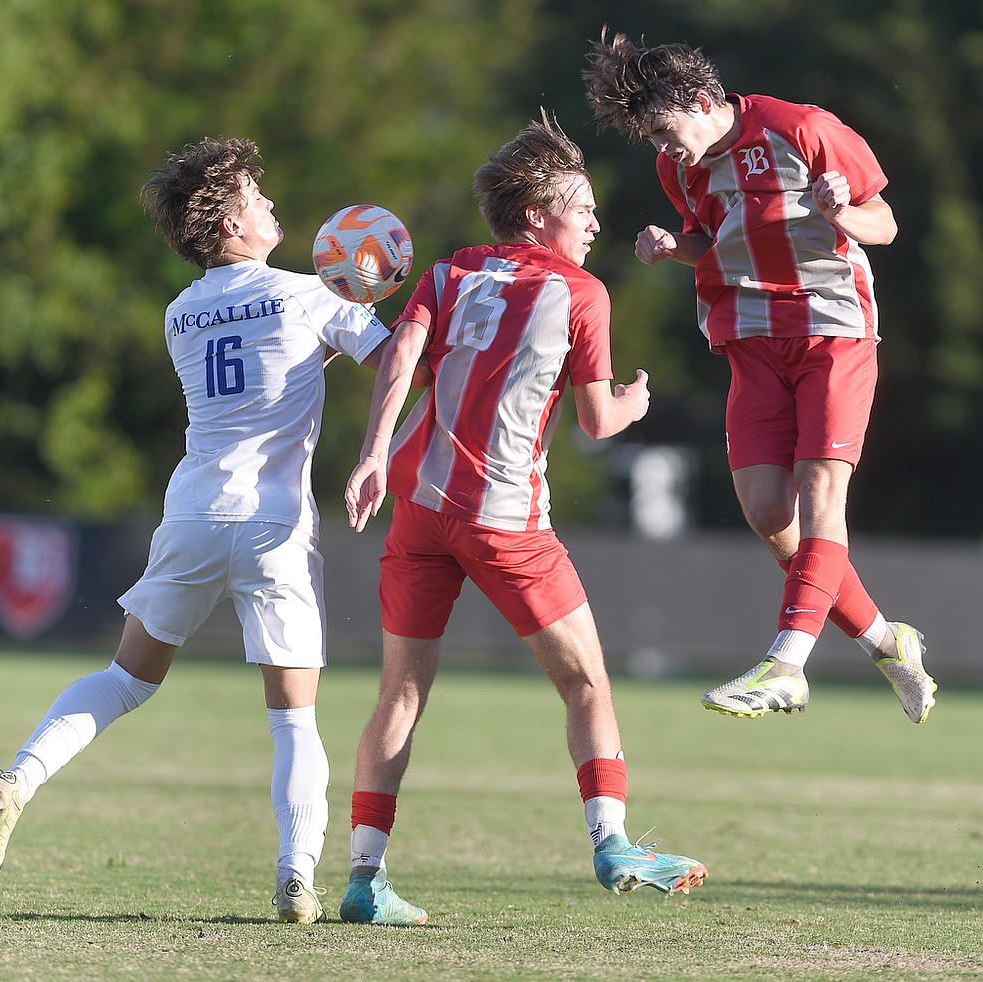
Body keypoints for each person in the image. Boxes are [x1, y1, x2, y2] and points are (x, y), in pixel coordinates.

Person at [0, 137, 397, 924]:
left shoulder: (181, 312)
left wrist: (337, 310)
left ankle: (16, 779)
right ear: (234, 223)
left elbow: (264, 371)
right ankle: (294, 876)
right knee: (294, 716)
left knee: (127, 679)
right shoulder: (308, 295)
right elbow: (394, 358)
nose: (274, 206)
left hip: (193, 512)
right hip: (274, 521)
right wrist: (376, 302)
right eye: (259, 196)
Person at [337, 110, 708, 927]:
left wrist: (369, 456)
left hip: (419, 510)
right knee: (585, 682)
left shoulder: (448, 273)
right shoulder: (581, 293)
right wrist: (636, 402)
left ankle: (365, 878)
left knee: (400, 693)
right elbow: (597, 424)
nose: (595, 223)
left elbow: (402, 356)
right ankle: (612, 844)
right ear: (538, 214)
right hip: (506, 521)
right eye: (583, 210)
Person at [583, 32, 937, 721]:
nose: (663, 148)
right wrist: (672, 250)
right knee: (770, 513)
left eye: (664, 130)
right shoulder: (679, 171)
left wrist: (844, 211)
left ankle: (786, 666)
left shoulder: (803, 128)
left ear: (702, 99)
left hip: (832, 330)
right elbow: (718, 244)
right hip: (749, 340)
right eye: (651, 139)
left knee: (817, 491)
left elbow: (885, 225)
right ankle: (886, 640)